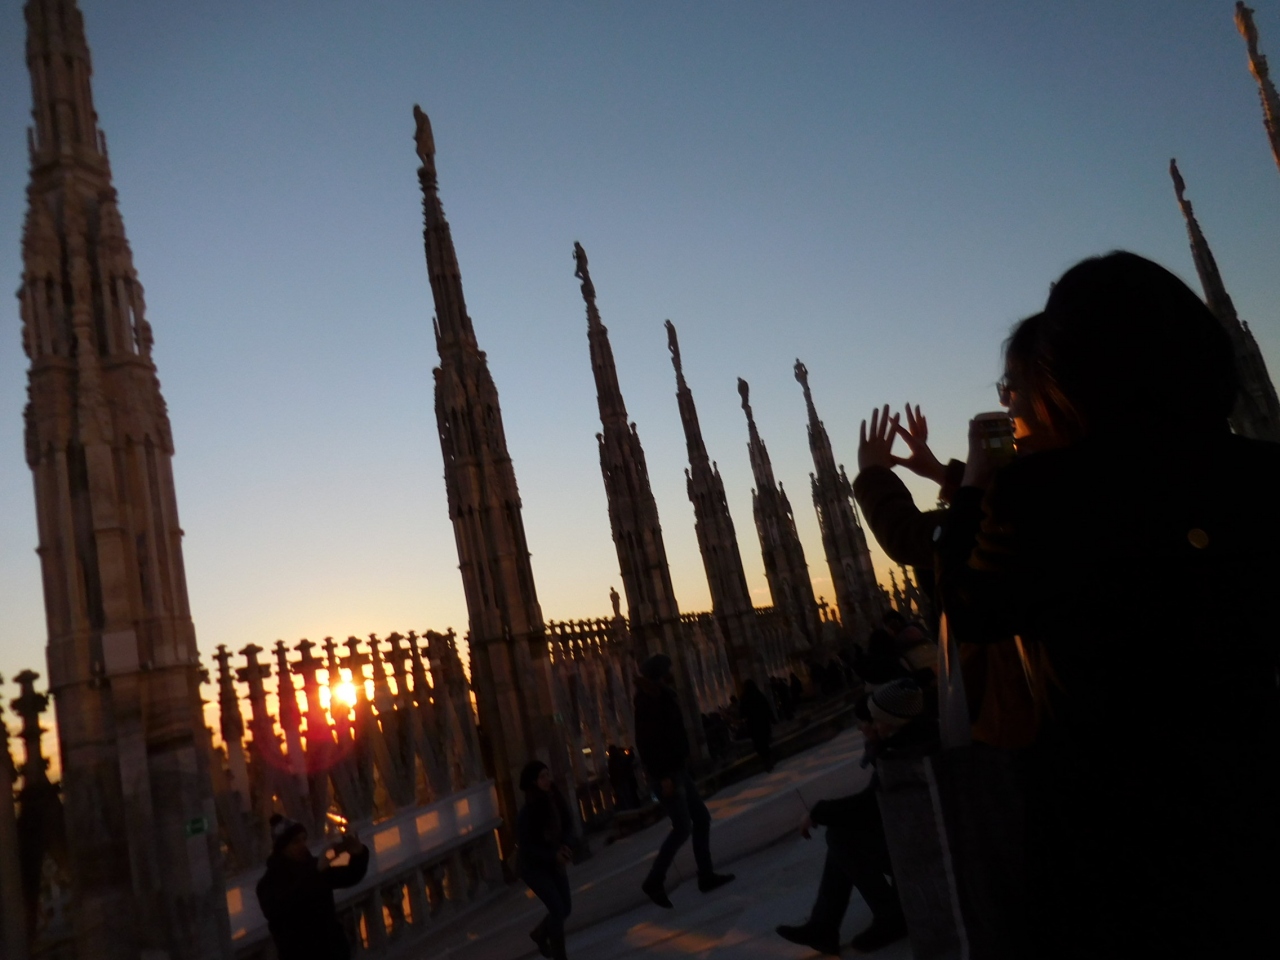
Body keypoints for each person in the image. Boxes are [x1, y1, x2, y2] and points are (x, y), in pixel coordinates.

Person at [937, 251, 1280, 958]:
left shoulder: (1044, 494)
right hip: (1256, 797)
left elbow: (969, 610)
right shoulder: (1261, 475)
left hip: (1116, 829)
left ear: (1070, 376)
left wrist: (973, 486)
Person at [776, 679, 922, 955]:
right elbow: (874, 803)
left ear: (890, 721)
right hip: (916, 831)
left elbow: (870, 806)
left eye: (872, 720)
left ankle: (889, 917)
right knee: (841, 834)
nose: (865, 727)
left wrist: (818, 811)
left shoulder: (899, 752)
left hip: (919, 843)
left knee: (842, 839)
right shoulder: (904, 743)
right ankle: (823, 927)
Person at [633, 653, 735, 908]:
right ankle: (654, 880)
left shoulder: (663, 695)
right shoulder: (648, 701)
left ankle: (706, 875)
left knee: (701, 819)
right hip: (668, 774)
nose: (671, 672)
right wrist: (663, 776)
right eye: (668, 668)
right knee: (682, 827)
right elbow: (647, 743)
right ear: (660, 673)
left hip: (678, 770)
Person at [255, 814, 370, 960]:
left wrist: (358, 853)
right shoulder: (269, 883)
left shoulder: (314, 867)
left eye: (304, 839)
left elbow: (349, 876)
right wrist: (316, 873)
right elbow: (286, 905)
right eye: (295, 842)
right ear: (282, 848)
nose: (302, 845)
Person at [517, 760, 575, 960]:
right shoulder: (527, 813)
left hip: (555, 862)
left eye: (547, 775)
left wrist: (566, 845)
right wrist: (553, 855)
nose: (547, 780)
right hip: (535, 868)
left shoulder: (556, 798)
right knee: (557, 910)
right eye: (542, 776)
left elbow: (568, 824)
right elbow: (528, 848)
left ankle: (540, 934)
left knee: (566, 907)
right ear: (533, 782)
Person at [739, 679, 776, 771]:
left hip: (753, 724)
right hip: (763, 722)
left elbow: (742, 712)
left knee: (758, 744)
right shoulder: (759, 695)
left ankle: (766, 760)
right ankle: (769, 759)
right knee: (765, 741)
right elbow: (766, 707)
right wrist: (772, 719)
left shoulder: (744, 698)